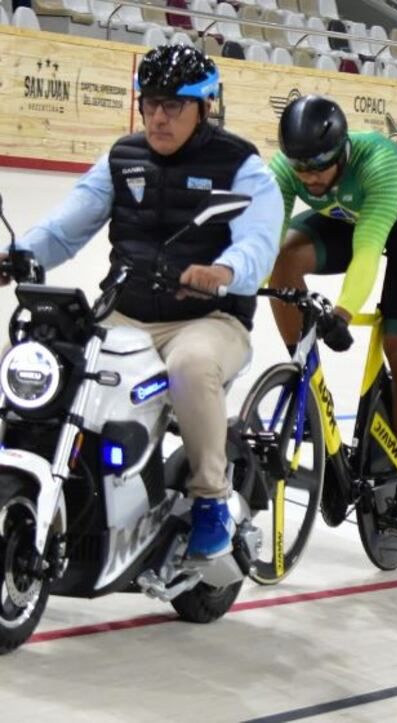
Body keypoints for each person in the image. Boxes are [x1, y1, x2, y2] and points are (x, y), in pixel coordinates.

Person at [3, 44, 283, 558]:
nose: (158, 116)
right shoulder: (122, 158)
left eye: (173, 105)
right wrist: (12, 257)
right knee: (45, 354)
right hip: (127, 310)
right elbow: (66, 229)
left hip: (209, 316)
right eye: (150, 102)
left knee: (191, 368)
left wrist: (223, 272)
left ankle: (210, 499)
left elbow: (259, 245)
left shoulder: (242, 167)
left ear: (205, 106)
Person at [269, 94, 397, 533]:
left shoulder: (378, 164)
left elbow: (369, 248)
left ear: (342, 153)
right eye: (301, 169)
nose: (308, 178)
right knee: (283, 262)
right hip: (345, 218)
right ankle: (306, 383)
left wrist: (344, 313)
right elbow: (266, 238)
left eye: (318, 168)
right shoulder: (286, 167)